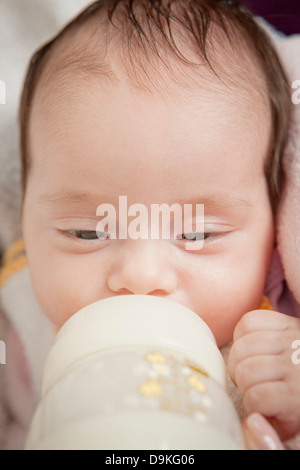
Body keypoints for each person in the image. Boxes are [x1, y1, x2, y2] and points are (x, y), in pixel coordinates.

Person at [1, 0, 300, 449]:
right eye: (87, 232)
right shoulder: (19, 320)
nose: (141, 276)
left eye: (198, 233)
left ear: (274, 237)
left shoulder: (275, 340)